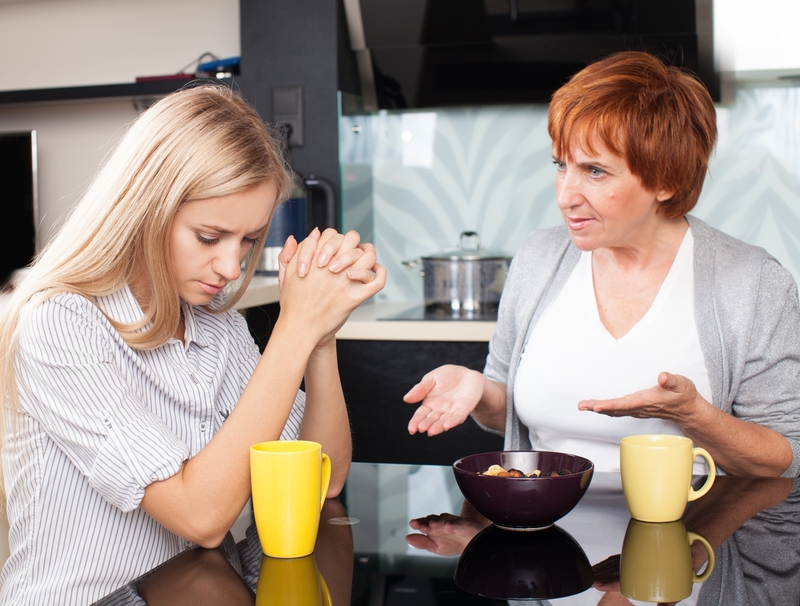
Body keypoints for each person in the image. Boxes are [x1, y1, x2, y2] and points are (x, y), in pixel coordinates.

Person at [0, 85, 385, 605]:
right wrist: (294, 326)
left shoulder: (213, 324)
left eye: (248, 240)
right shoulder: (61, 323)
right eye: (209, 237)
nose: (230, 268)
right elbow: (200, 517)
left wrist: (320, 334)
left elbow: (324, 479)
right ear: (145, 209)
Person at [404, 50, 800, 478]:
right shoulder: (538, 259)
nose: (565, 196)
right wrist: (482, 392)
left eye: (595, 171)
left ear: (666, 179)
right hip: (545, 535)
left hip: (689, 538)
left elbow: (786, 454)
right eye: (561, 165)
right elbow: (512, 416)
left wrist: (694, 416)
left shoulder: (753, 282)